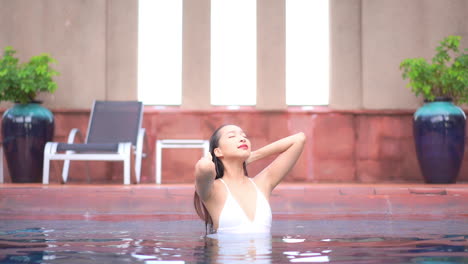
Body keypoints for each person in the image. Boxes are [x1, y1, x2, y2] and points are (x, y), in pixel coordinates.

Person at [194, 124, 306, 234]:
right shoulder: (213, 191)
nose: (242, 139)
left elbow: (299, 139)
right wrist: (208, 159)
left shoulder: (262, 184)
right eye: (232, 136)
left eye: (244, 136)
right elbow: (204, 167)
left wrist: (254, 155)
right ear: (218, 151)